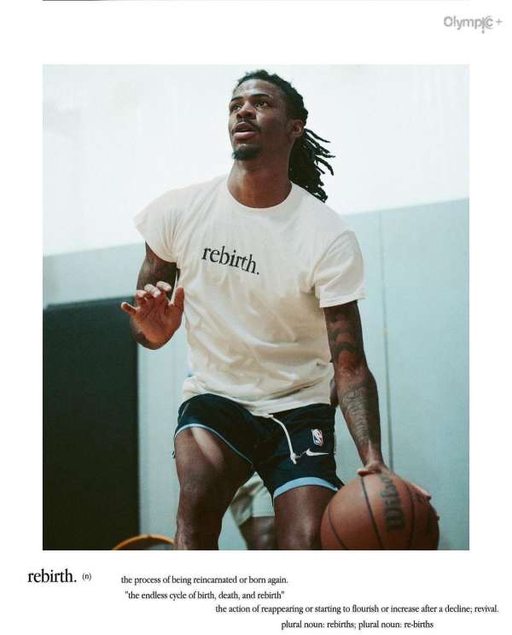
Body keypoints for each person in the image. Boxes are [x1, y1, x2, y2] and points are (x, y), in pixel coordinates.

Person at [121, 69, 405, 550]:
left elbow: (350, 364)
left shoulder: (326, 235)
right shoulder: (177, 212)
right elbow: (147, 331)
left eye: (261, 103)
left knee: (304, 541)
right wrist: (153, 332)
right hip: (215, 398)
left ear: (294, 127)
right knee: (196, 504)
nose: (244, 111)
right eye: (236, 105)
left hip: (299, 405)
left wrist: (373, 459)